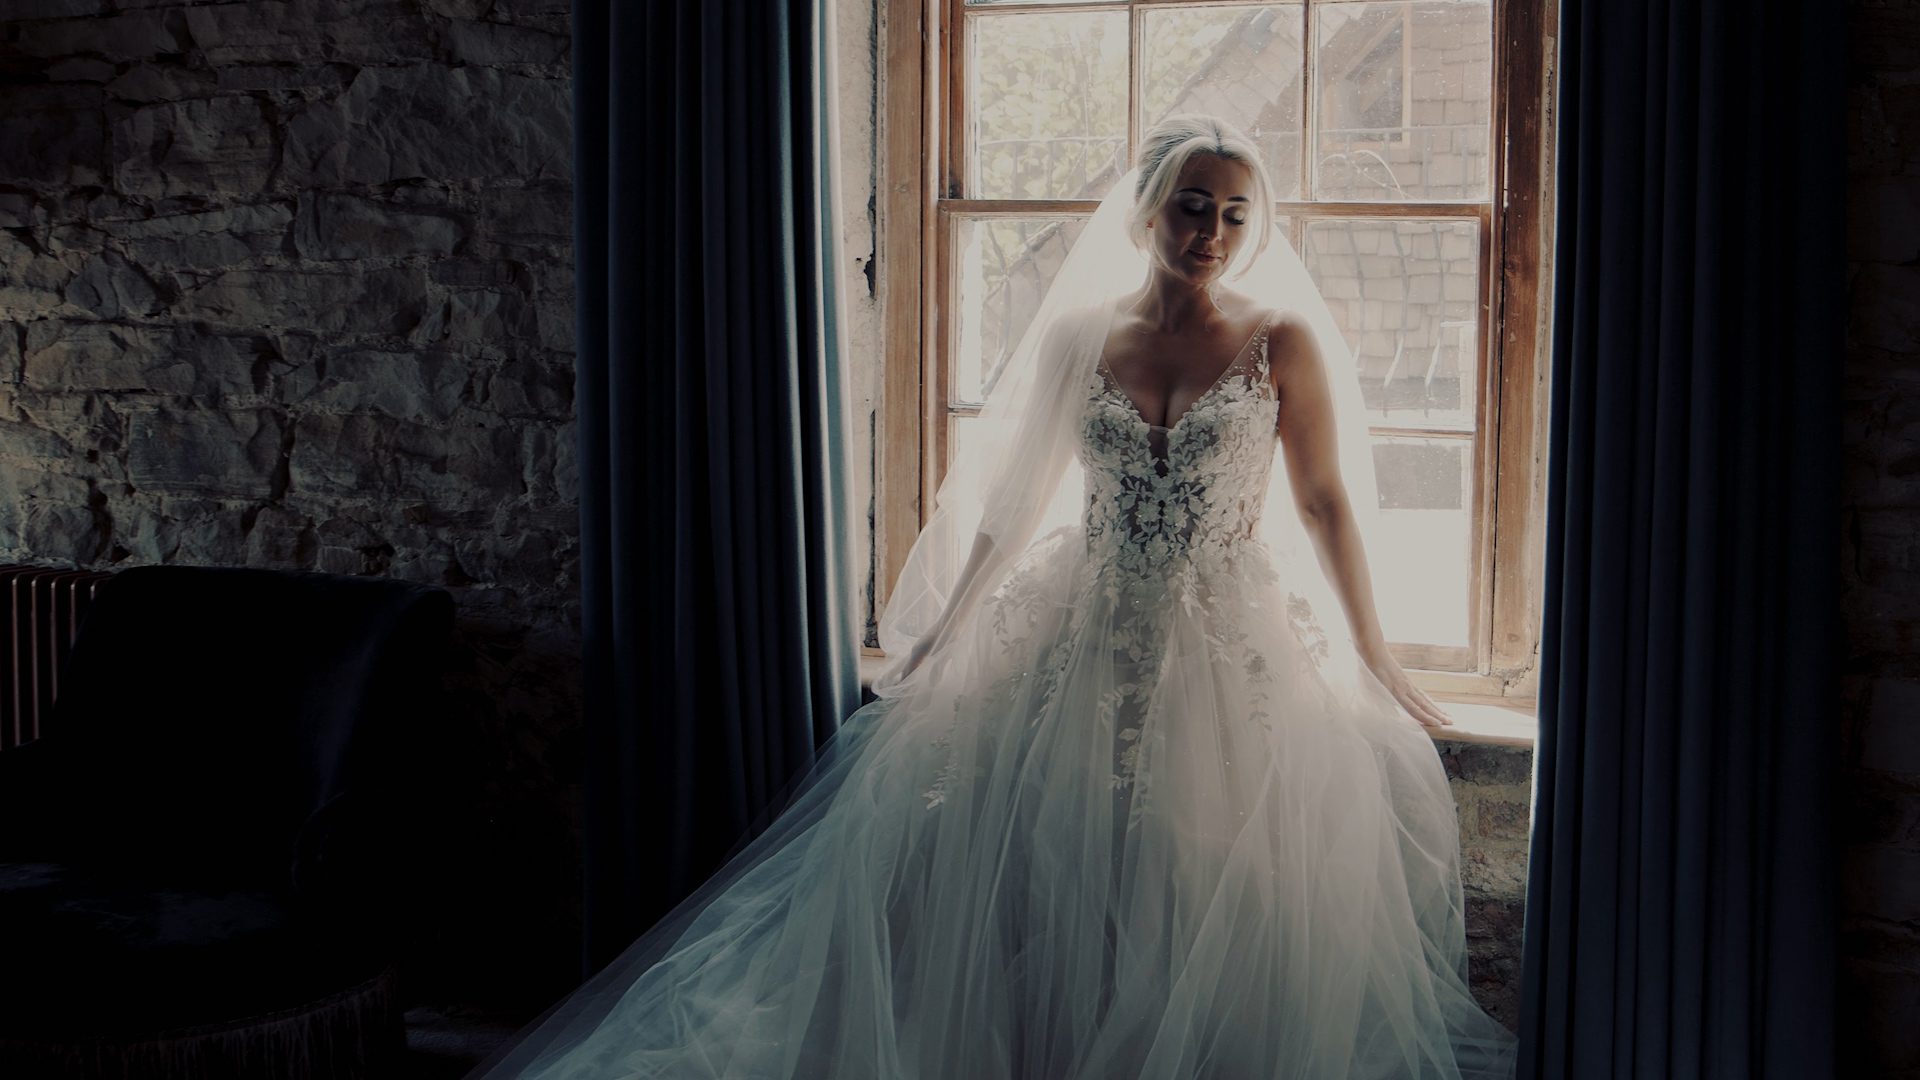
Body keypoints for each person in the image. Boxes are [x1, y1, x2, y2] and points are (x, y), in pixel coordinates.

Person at [474, 114, 1518, 1080]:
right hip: (1088, 618)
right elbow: (1011, 508)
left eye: (1237, 213)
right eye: (1194, 204)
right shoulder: (1083, 338)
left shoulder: (1279, 340)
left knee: (1203, 875)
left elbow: (1327, 502)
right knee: (1058, 866)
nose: (1213, 231)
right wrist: (938, 637)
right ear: (1149, 205)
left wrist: (1376, 656)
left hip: (1227, 639)